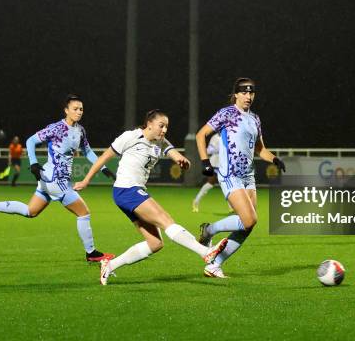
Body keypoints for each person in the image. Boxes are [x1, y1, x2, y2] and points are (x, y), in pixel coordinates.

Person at [74, 109, 228, 286]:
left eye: (166, 127)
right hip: (127, 190)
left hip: (130, 193)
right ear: (149, 124)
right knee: (166, 220)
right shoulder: (130, 136)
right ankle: (205, 252)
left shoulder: (159, 141)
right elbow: (104, 158)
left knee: (155, 243)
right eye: (161, 126)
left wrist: (180, 158)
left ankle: (109, 266)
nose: (164, 130)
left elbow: (170, 150)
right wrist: (86, 180)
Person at [0, 94, 115, 262]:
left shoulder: (80, 130)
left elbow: (87, 151)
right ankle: (91, 253)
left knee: (31, 211)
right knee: (84, 213)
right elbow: (30, 141)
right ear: (66, 110)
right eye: (75, 109)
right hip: (55, 179)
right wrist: (33, 163)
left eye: (81, 109)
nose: (79, 112)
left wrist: (103, 168)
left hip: (49, 179)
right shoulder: (56, 128)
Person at [195, 78, 286, 279]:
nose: (248, 96)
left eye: (251, 92)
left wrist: (274, 159)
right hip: (230, 174)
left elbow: (260, 149)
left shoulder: (255, 118)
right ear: (236, 94)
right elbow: (201, 135)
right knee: (249, 218)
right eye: (244, 92)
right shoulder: (227, 113)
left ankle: (214, 265)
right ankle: (210, 230)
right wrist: (205, 161)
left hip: (248, 176)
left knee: (249, 224)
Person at [191, 132, 231, 213]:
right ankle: (196, 201)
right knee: (210, 183)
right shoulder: (215, 137)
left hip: (223, 164)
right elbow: (208, 150)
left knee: (226, 185)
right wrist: (217, 149)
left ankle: (232, 207)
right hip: (213, 163)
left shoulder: (229, 136)